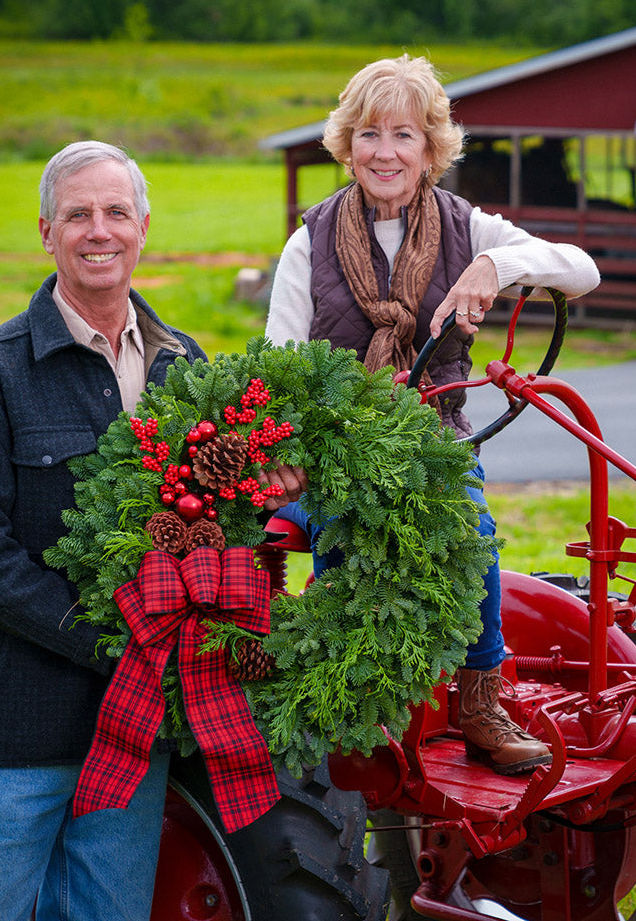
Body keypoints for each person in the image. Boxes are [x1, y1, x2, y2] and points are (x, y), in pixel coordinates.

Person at [0, 141, 300, 920]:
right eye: (78, 214)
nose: (99, 231)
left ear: (143, 226)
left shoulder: (185, 366)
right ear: (46, 230)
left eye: (116, 212)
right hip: (9, 743)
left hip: (130, 744)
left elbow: (208, 525)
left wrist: (263, 497)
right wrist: (117, 640)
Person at [266, 54, 601, 775]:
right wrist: (296, 443)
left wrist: (497, 268)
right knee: (344, 540)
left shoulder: (467, 228)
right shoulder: (310, 240)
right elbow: (280, 360)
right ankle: (342, 697)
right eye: (369, 134)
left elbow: (582, 268)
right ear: (347, 145)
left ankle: (479, 703)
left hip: (437, 445)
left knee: (470, 531)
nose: (385, 152)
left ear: (431, 150)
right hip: (339, 450)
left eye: (404, 135)